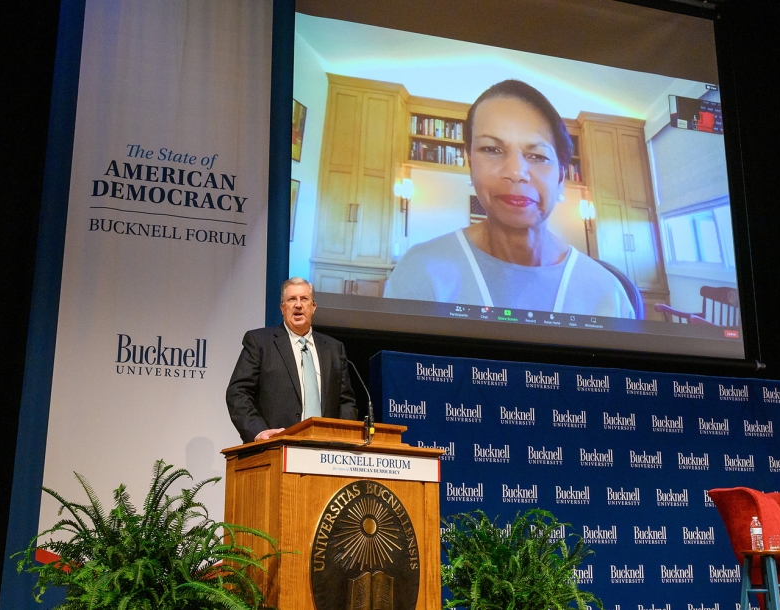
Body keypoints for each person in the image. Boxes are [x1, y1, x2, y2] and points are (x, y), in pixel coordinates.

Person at [385, 80, 635, 319]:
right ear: (471, 164)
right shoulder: (420, 272)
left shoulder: (608, 295)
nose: (516, 172)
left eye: (537, 155)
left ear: (561, 176)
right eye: (491, 150)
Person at [226, 277, 358, 444]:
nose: (298, 305)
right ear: (282, 308)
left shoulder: (333, 349)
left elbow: (346, 401)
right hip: (275, 447)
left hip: (326, 450)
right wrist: (257, 430)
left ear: (313, 307)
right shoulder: (260, 342)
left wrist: (343, 437)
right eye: (291, 299)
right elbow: (238, 392)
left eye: (304, 299)